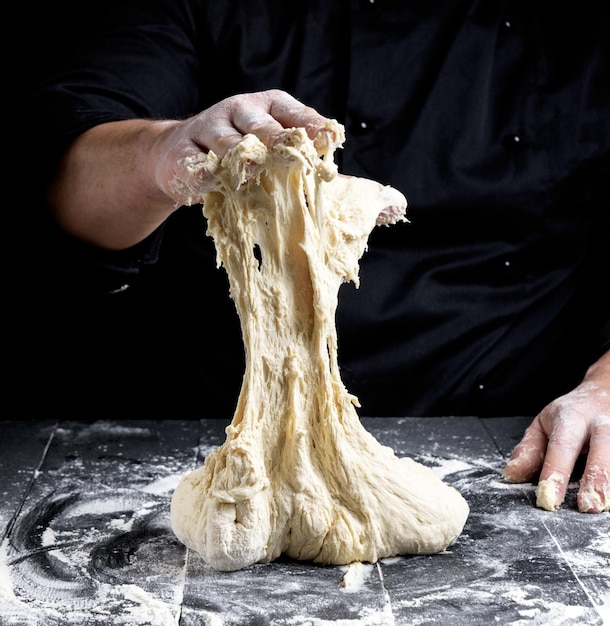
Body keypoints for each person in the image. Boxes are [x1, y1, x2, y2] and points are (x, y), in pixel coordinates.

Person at [6, 1, 609, 514]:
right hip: (218, 455)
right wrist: (158, 158)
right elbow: (59, 169)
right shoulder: (212, 9)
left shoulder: (575, 24)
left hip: (501, 457)